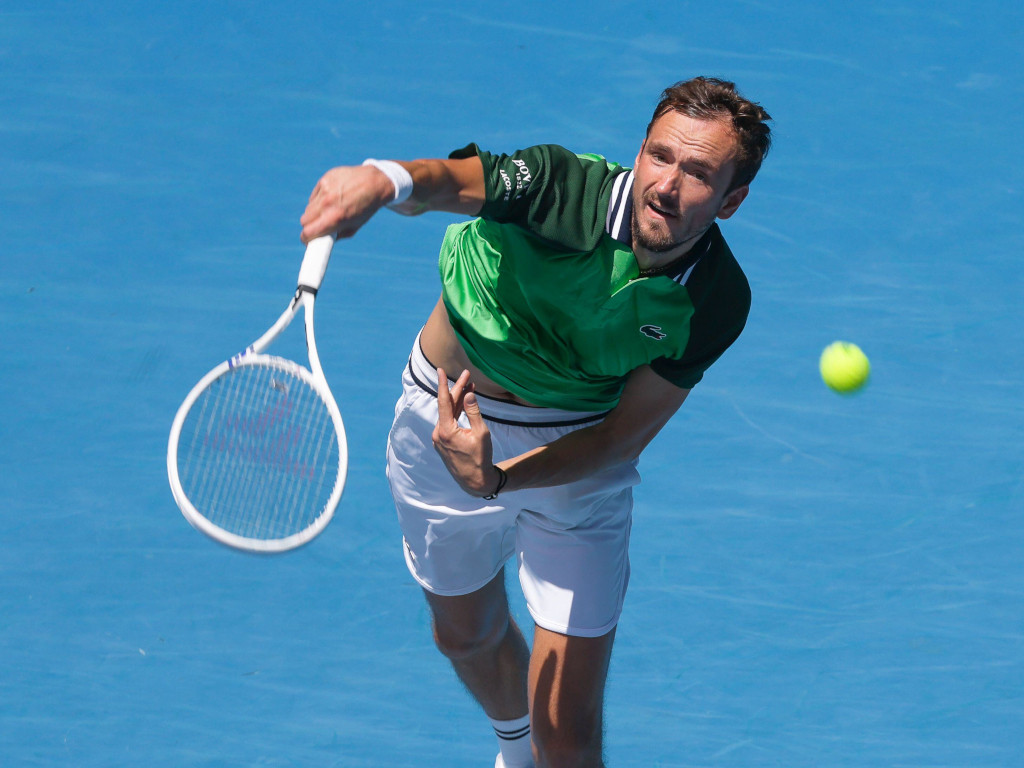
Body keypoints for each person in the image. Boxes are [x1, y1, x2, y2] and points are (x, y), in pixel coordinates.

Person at [300, 76, 772, 768]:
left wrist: (498, 478)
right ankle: (513, 748)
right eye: (660, 156)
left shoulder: (715, 300)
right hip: (443, 421)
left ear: (732, 199)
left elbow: (617, 441)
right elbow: (450, 183)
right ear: (639, 153)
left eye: (699, 172)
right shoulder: (559, 185)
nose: (667, 186)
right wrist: (383, 180)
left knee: (570, 736)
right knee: (465, 638)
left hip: (576, 458)